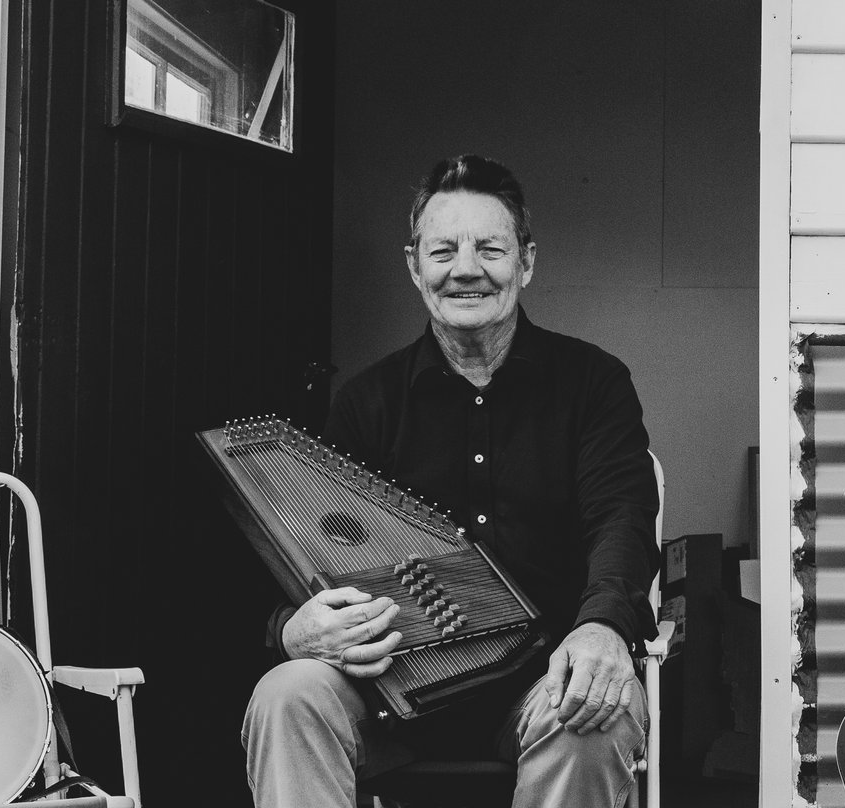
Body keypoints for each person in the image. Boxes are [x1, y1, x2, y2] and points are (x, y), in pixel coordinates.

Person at [242, 154, 660, 808]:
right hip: (387, 690)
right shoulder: (366, 404)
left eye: (490, 248)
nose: (466, 269)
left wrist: (604, 626)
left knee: (593, 709)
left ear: (525, 262)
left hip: (542, 678)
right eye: (443, 250)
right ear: (415, 267)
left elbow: (622, 519)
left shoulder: (592, 385)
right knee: (287, 694)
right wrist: (292, 627)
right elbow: (307, 554)